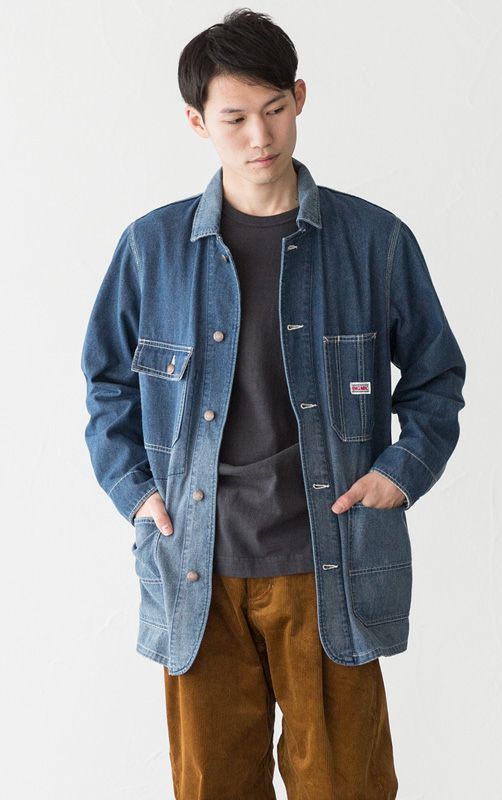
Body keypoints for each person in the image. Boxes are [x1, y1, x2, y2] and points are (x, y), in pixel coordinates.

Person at [80, 8, 466, 799]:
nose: (260, 135)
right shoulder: (152, 250)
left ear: (300, 99)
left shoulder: (374, 241)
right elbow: (106, 386)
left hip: (330, 565)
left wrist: (398, 475)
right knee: (212, 787)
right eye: (235, 118)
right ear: (197, 122)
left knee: (347, 786)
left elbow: (436, 377)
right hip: (197, 568)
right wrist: (138, 495)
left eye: (275, 109)